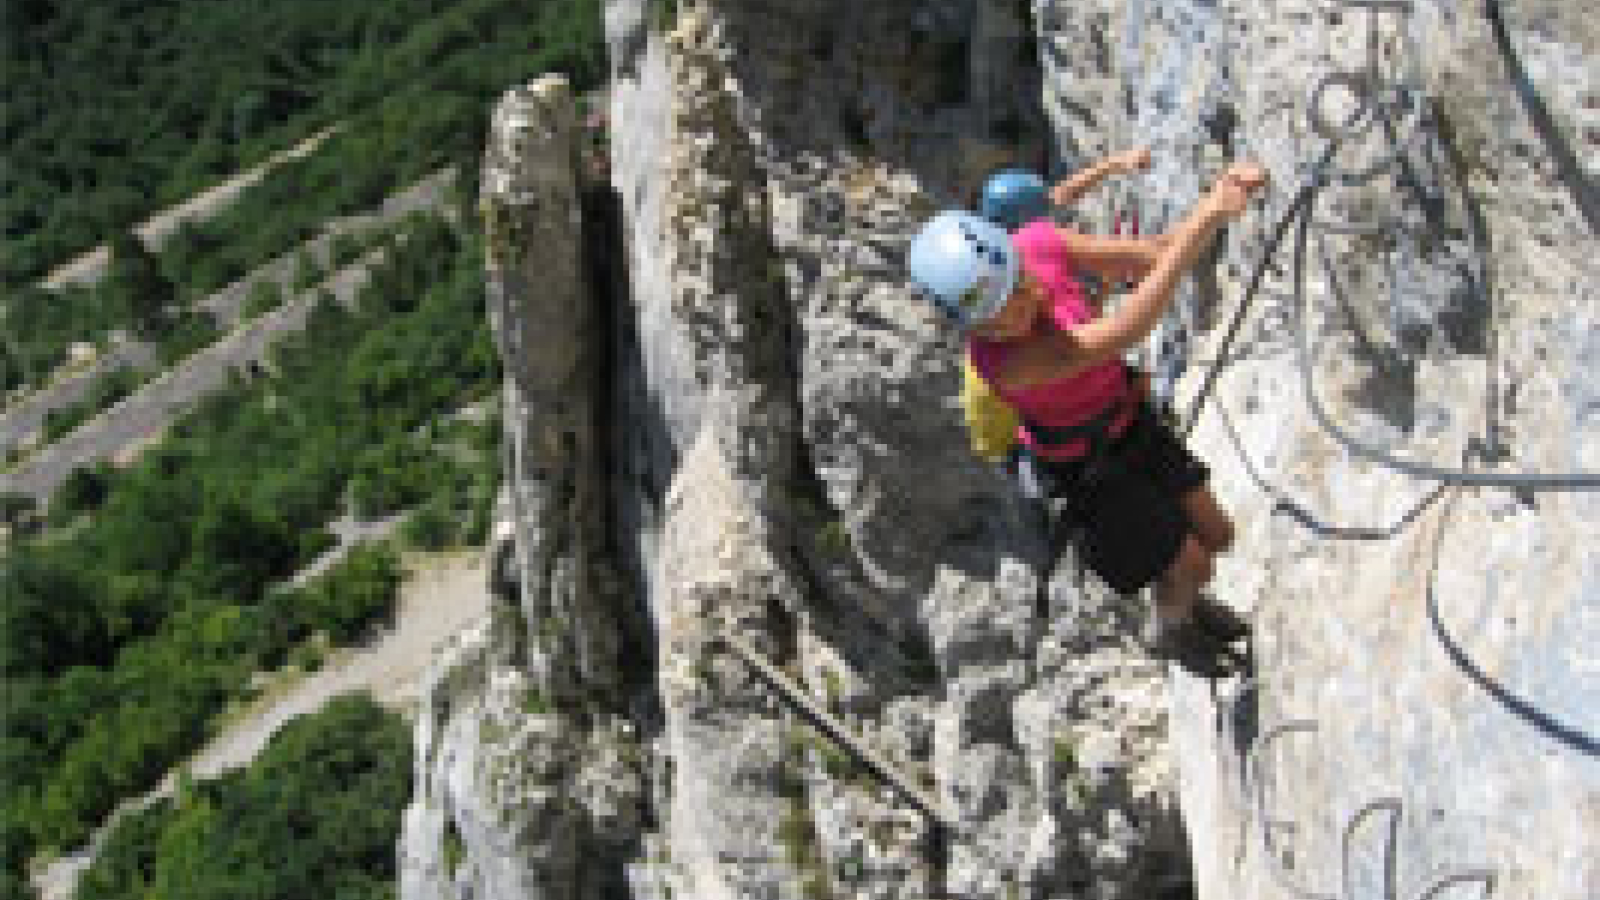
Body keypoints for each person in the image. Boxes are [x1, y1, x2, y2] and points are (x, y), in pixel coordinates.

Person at [907, 161, 1268, 677]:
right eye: (989, 321)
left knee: (1219, 535)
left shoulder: (1040, 241)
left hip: (1128, 422)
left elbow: (1151, 258)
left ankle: (1180, 595)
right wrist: (1210, 214)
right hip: (1088, 469)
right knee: (1195, 562)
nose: (1009, 322)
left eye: (1011, 298)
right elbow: (1127, 328)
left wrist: (1219, 199)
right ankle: (1173, 626)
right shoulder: (1007, 364)